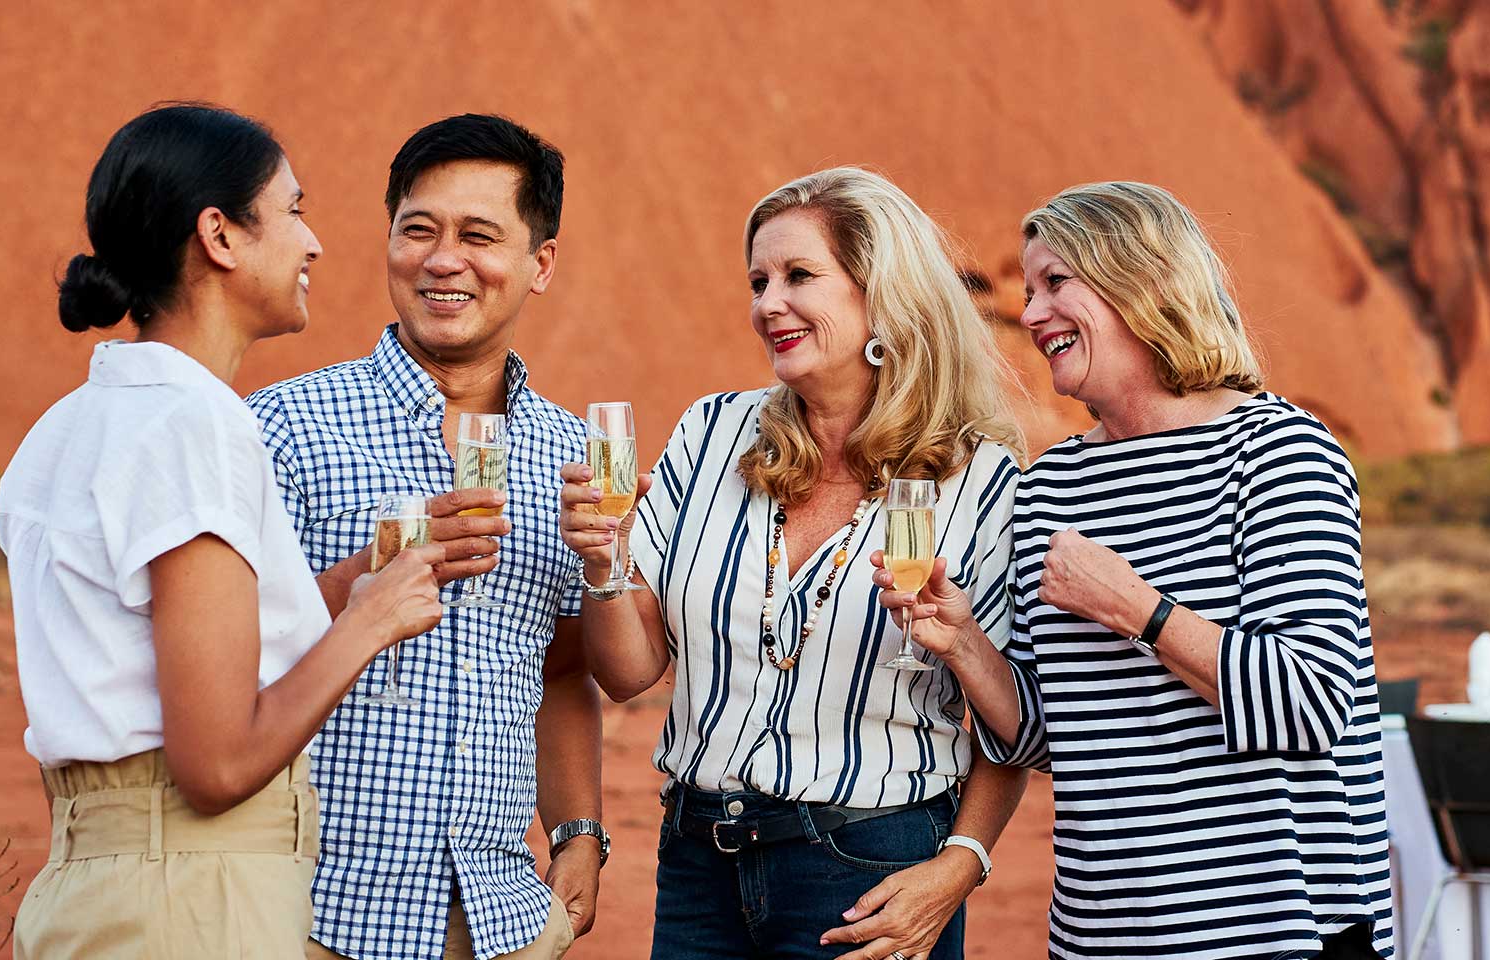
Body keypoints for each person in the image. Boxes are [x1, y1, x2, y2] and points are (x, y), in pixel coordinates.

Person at [874, 181, 1396, 959]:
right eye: (1029, 287)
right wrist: (963, 644)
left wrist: (1138, 610)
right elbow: (1048, 740)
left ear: (1145, 283)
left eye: (1058, 283)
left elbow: (1312, 701)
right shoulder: (1054, 485)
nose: (1034, 312)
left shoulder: (1279, 453)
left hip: (1278, 933)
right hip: (1104, 937)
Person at [1, 102, 444, 958]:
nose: (313, 244)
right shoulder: (193, 428)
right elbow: (217, 766)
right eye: (293, 212)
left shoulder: (70, 425)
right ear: (221, 235)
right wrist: (372, 622)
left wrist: (349, 583)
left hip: (93, 884)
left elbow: (158, 645)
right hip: (194, 899)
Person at [557, 167, 1026, 960]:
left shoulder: (979, 480)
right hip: (698, 863)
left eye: (799, 276)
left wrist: (961, 863)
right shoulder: (712, 434)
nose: (767, 303)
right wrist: (604, 564)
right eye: (758, 280)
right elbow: (630, 673)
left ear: (881, 293)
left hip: (869, 869)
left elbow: (1018, 723)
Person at [245, 114, 601, 960]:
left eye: (479, 236)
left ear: (538, 264)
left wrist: (581, 828)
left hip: (498, 924)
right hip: (311, 917)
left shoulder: (571, 456)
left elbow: (560, 665)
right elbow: (225, 654)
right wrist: (371, 572)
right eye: (418, 231)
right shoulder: (283, 427)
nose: (443, 261)